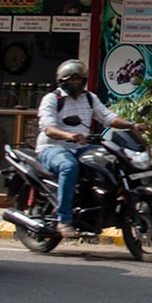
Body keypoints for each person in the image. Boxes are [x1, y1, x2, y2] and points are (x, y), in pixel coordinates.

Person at [36, 60, 135, 238]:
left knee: (109, 160)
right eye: (72, 80)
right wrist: (70, 136)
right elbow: (48, 128)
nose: (76, 83)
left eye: (79, 79)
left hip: (81, 147)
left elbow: (107, 117)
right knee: (69, 166)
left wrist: (131, 125)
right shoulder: (52, 99)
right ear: (62, 81)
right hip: (52, 147)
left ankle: (100, 207)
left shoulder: (89, 97)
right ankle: (64, 220)